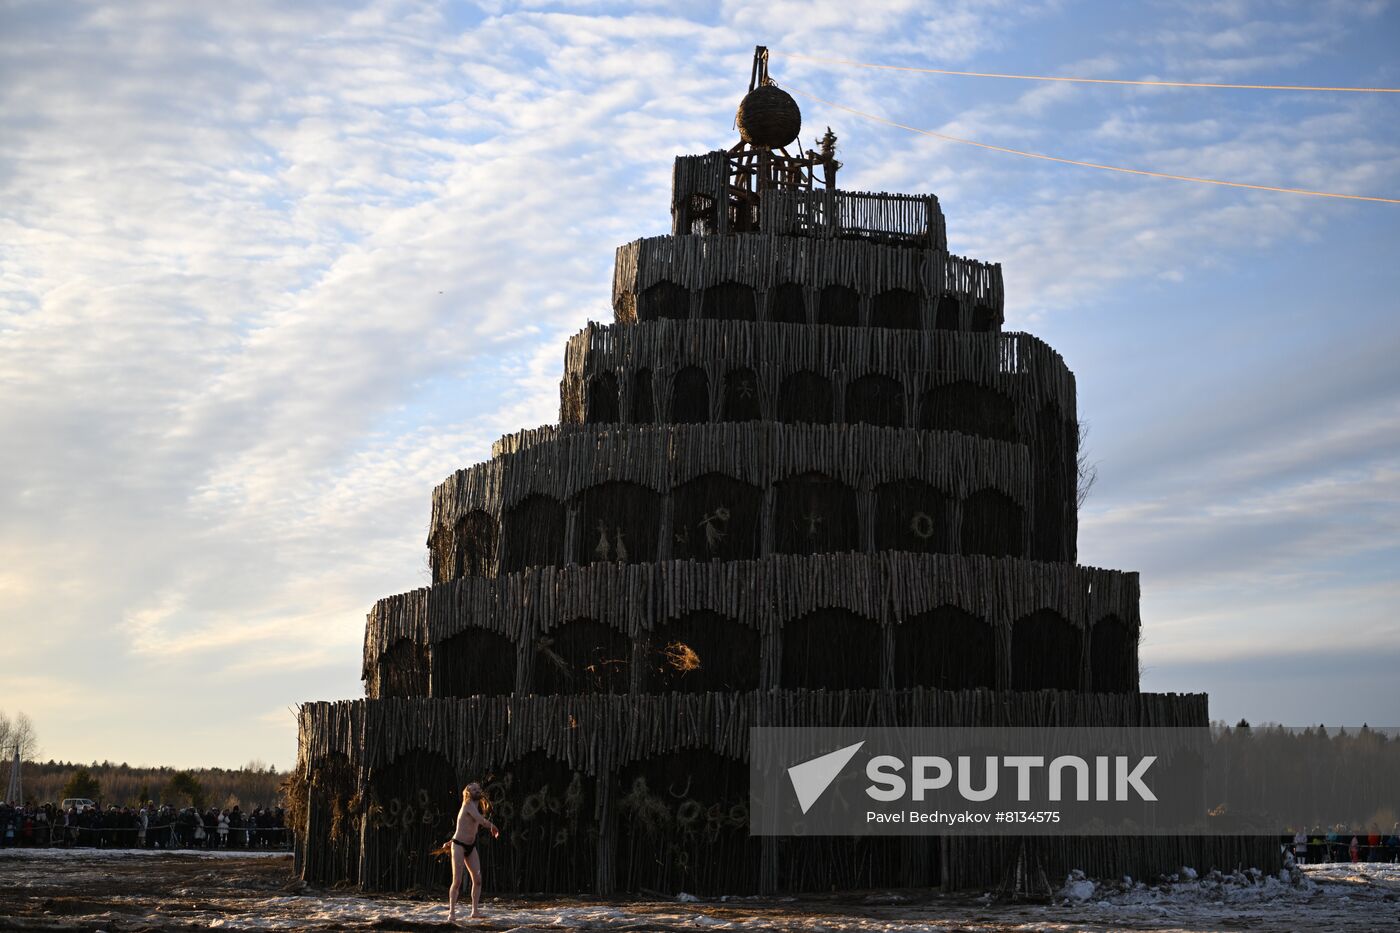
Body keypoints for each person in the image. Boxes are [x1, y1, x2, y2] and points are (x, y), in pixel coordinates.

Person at [443, 782, 500, 921]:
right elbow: (480, 820)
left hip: (470, 846)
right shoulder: (468, 804)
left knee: (478, 880)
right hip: (458, 845)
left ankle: (474, 911)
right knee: (457, 881)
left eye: (478, 789)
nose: (477, 791)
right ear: (467, 793)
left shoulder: (476, 805)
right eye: (473, 789)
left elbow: (465, 825)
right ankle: (452, 913)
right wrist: (492, 826)